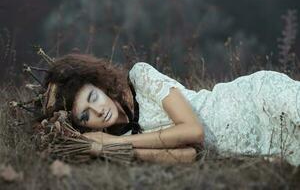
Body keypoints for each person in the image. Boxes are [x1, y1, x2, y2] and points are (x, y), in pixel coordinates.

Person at [44, 53, 300, 166]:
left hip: (253, 99)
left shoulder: (141, 77)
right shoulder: (119, 140)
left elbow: (194, 132)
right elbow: (189, 156)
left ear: (99, 85)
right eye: (85, 115)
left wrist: (109, 144)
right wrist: (107, 147)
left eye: (93, 97)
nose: (97, 111)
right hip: (259, 143)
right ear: (82, 126)